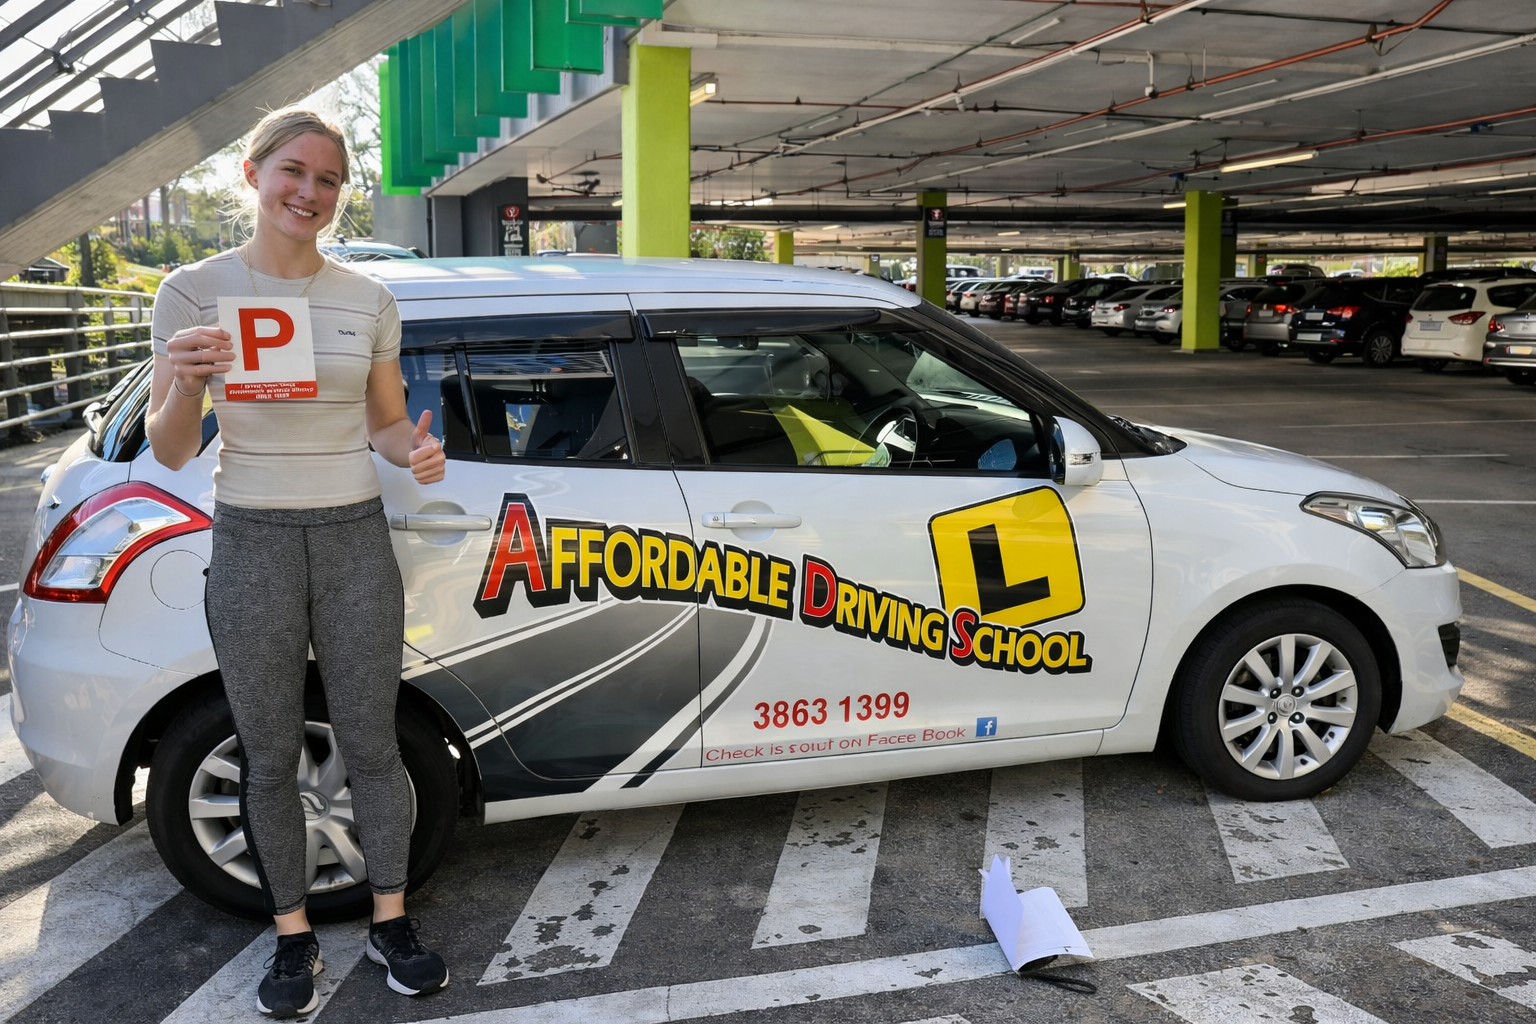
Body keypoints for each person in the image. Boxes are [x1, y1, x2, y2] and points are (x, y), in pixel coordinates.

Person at [146, 108, 449, 1018]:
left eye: (327, 179)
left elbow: (386, 423)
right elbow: (168, 450)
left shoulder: (367, 298)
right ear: (252, 172)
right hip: (252, 539)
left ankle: (391, 920)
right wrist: (187, 381)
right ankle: (291, 935)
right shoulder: (192, 292)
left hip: (354, 535)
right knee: (270, 751)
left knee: (372, 740)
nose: (308, 193)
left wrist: (416, 454)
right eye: (292, 171)